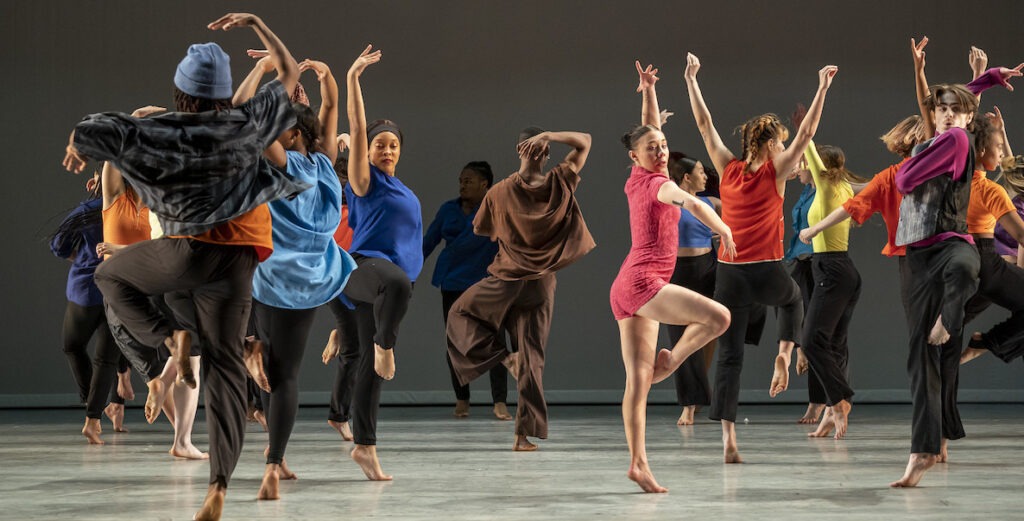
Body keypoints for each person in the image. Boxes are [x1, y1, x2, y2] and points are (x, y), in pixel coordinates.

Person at [62, 12, 304, 520]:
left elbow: (99, 127)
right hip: (237, 264)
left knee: (110, 274)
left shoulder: (159, 132)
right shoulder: (246, 124)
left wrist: (78, 144)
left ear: (180, 94)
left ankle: (168, 339)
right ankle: (218, 483)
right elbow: (287, 71)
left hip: (184, 252)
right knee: (227, 368)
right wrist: (258, 22)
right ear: (224, 96)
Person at [683, 52, 836, 463]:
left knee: (729, 355)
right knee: (792, 299)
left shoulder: (727, 168)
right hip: (767, 269)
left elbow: (704, 125)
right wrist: (822, 88)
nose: (786, 146)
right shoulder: (777, 169)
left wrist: (691, 80)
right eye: (781, 142)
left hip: (729, 274)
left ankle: (729, 440)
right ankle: (784, 354)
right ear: (770, 145)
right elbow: (807, 134)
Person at [886, 36, 1020, 488]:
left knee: (966, 268)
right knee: (920, 359)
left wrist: (979, 87)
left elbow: (905, 177)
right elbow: (948, 106)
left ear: (967, 118)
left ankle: (950, 319)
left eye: (952, 110)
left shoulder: (958, 139)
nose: (944, 114)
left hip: (952, 242)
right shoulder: (935, 138)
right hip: (916, 257)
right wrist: (986, 78)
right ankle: (922, 450)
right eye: (937, 108)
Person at [235, 52, 356, 499]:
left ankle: (272, 462)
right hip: (310, 282)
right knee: (281, 374)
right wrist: (330, 86)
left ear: (291, 133)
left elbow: (246, 118)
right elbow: (327, 119)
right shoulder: (325, 165)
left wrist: (276, 83)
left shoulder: (284, 166)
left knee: (273, 372)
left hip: (272, 280)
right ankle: (275, 461)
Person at [611, 62, 733, 493]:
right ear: (635, 158)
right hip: (643, 283)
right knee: (718, 319)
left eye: (663, 145)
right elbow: (695, 205)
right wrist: (723, 228)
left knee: (637, 383)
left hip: (626, 287)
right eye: (652, 149)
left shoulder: (638, 176)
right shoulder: (659, 187)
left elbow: (645, 129)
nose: (661, 151)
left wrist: (647, 90)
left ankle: (638, 463)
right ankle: (674, 362)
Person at [447, 123, 594, 453]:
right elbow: (584, 141)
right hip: (538, 284)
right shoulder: (558, 181)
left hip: (507, 280)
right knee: (532, 359)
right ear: (539, 151)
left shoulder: (500, 191)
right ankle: (521, 436)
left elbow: (486, 231)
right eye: (538, 146)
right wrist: (552, 137)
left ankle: (505, 363)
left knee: (461, 313)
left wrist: (546, 137)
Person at [341, 45, 422, 481]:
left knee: (368, 370)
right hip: (364, 271)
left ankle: (364, 446)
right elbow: (354, 125)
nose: (386, 150)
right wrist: (353, 78)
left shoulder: (403, 190)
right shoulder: (364, 182)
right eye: (378, 145)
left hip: (384, 288)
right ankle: (385, 347)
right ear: (366, 151)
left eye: (392, 145)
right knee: (396, 286)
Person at [423, 161, 511, 420]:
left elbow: (512, 243)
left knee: (495, 341)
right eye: (461, 180)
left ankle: (500, 402)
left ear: (485, 184)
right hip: (451, 282)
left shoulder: (496, 209)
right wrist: (407, 271)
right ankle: (462, 399)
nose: (463, 184)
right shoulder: (448, 209)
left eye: (469, 180)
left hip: (487, 283)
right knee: (455, 343)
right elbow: (428, 242)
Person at [793, 142, 867, 439]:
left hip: (831, 270)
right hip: (843, 270)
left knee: (811, 342)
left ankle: (839, 399)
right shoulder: (844, 188)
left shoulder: (825, 186)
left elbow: (810, 149)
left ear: (816, 167)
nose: (799, 166)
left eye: (803, 162)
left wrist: (805, 130)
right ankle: (831, 410)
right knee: (833, 345)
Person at [49, 174, 129, 443]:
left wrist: (80, 257)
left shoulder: (87, 210)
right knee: (106, 358)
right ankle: (94, 419)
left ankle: (93, 406)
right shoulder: (134, 208)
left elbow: (58, 245)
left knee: (72, 345)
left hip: (86, 288)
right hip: (120, 289)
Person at [663, 151, 725, 427]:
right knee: (679, 337)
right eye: (700, 171)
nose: (706, 175)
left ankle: (711, 399)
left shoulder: (713, 203)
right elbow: (656, 175)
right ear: (686, 177)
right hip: (678, 271)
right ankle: (689, 404)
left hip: (708, 269)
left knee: (713, 327)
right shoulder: (671, 201)